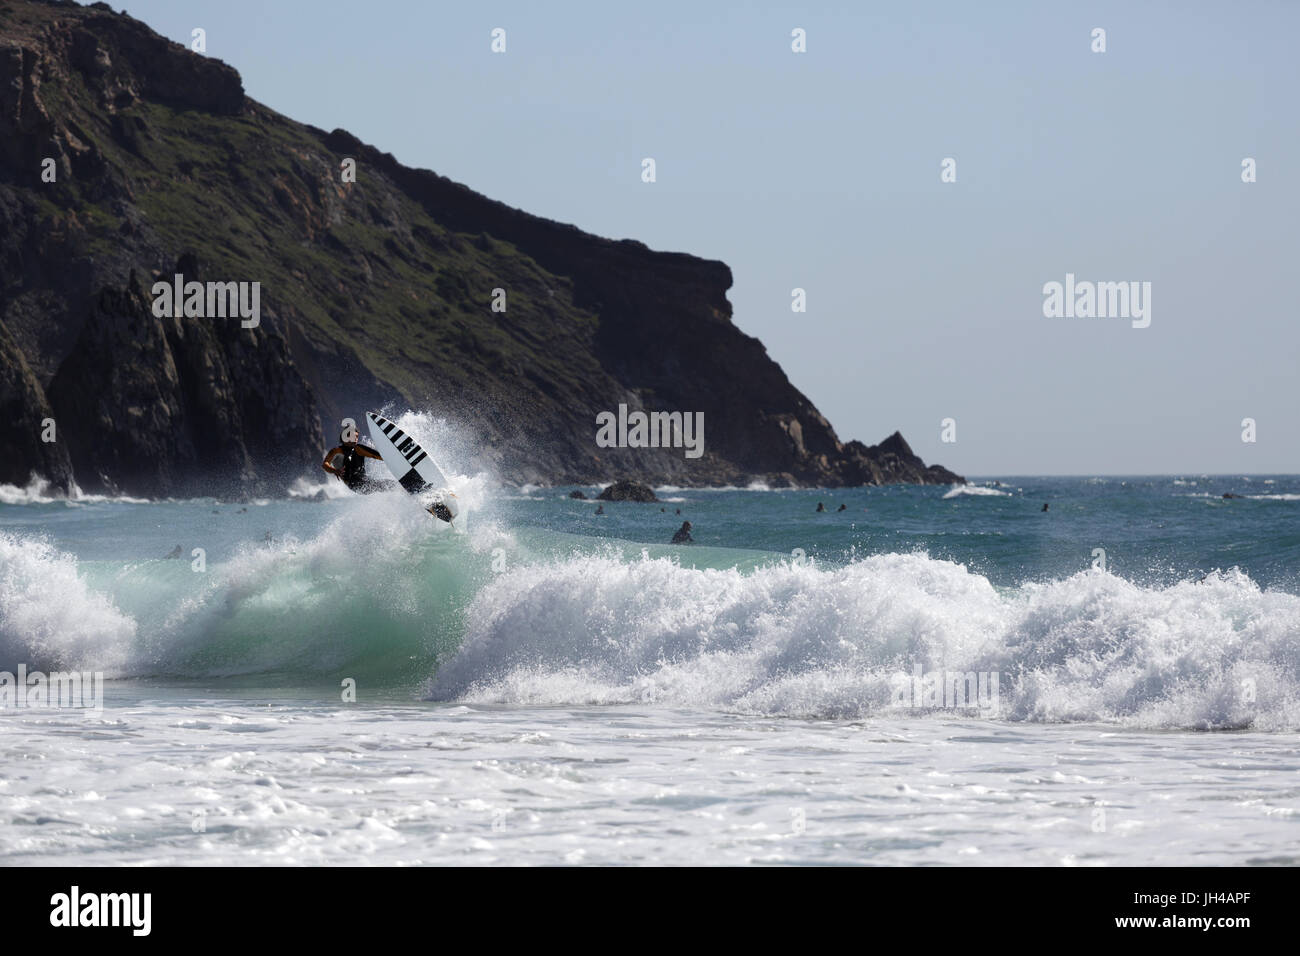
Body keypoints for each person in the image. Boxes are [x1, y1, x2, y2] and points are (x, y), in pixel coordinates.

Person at [322, 418, 384, 492]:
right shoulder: (337, 451)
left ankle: (399, 487)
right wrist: (335, 471)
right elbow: (325, 464)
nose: (356, 439)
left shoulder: (358, 449)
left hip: (365, 480)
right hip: (354, 484)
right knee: (381, 485)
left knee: (387, 484)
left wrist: (387, 458)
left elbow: (374, 455)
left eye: (357, 437)